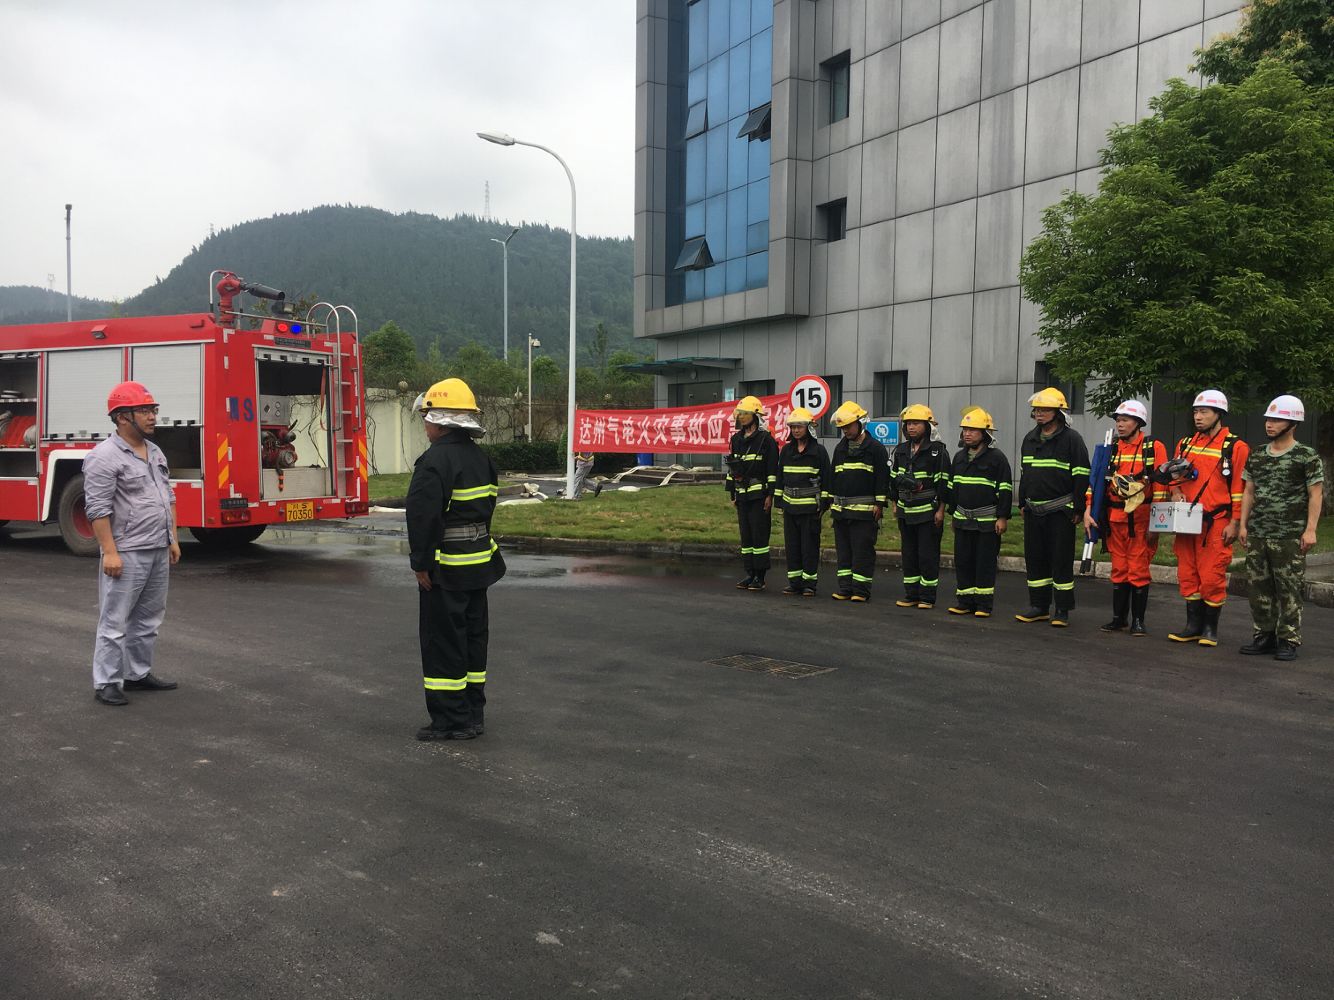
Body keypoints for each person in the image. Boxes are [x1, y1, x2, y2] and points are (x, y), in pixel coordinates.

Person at [406, 378, 506, 741]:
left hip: (445, 571)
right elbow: (486, 511)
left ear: (441, 421)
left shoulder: (434, 462)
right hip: (478, 567)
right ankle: (473, 714)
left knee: (444, 644)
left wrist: (422, 564)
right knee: (473, 641)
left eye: (427, 416)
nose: (425, 423)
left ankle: (451, 720)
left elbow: (423, 519)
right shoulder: (481, 459)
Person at [82, 381, 181, 706]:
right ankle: (107, 682)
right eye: (145, 411)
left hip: (158, 547)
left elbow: (168, 496)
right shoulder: (103, 457)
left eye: (153, 410)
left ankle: (137, 674)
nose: (153, 417)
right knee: (114, 620)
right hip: (127, 551)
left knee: (149, 618)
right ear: (123, 417)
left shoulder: (155, 451)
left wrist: (173, 539)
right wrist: (109, 552)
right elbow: (97, 509)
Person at [1238, 395, 1323, 661]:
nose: (1270, 424)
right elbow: (1249, 491)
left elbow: (1315, 494)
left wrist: (1310, 530)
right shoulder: (1257, 455)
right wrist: (1243, 525)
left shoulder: (1306, 456)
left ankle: (1288, 640)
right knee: (1258, 588)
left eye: (1276, 420)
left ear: (1293, 424)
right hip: (1259, 532)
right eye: (1269, 419)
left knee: (1288, 589)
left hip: (1289, 535)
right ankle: (1264, 636)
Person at [1164, 389, 1250, 647]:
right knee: (1187, 573)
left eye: (1204, 412)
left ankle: (1210, 629)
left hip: (1216, 521)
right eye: (1195, 412)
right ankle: (1192, 627)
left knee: (1211, 575)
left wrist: (1235, 522)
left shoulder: (1235, 447)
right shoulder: (1185, 444)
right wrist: (1175, 491)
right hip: (1187, 521)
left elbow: (1239, 489)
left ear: (1219, 414)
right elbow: (1174, 477)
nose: (1198, 417)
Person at [1084, 400, 1168, 636]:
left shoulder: (1152, 448)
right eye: (1118, 420)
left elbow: (1161, 487)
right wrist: (1089, 510)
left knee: (1138, 570)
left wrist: (1156, 524)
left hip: (1141, 521)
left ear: (1138, 423)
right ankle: (1118, 619)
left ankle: (1138, 622)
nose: (1120, 425)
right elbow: (1096, 483)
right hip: (1114, 521)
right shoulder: (1110, 449)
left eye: (1125, 420)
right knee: (1119, 570)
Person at [1015, 388, 1091, 627]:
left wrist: (1078, 508)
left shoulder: (1072, 439)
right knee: (1035, 559)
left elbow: (1081, 474)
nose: (1039, 413)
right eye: (1036, 410)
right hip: (1034, 511)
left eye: (1044, 410)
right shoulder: (1029, 439)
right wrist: (1022, 502)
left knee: (1060, 560)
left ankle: (1062, 610)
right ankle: (1039, 606)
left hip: (1061, 511)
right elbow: (1025, 473)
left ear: (1058, 413)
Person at [945, 407, 1012, 618]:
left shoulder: (997, 458)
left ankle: (983, 604)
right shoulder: (959, 458)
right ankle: (964, 602)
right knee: (963, 562)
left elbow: (1005, 489)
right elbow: (952, 488)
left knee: (984, 563)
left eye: (973, 430)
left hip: (987, 522)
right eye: (965, 430)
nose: (967, 434)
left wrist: (1002, 517)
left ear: (985, 433)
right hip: (962, 520)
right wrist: (952, 515)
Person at [824, 401, 889, 602]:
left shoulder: (875, 449)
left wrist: (879, 504)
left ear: (860, 423)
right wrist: (831, 503)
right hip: (842, 512)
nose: (845, 431)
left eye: (849, 426)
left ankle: (861, 590)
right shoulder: (840, 448)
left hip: (864, 513)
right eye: (842, 427)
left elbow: (882, 478)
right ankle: (845, 588)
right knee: (844, 552)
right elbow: (834, 477)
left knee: (862, 551)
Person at [888, 404, 951, 609]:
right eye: (908, 424)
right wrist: (895, 503)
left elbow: (943, 483)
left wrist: (940, 510)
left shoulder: (938, 451)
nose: (911, 427)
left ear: (927, 426)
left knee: (927, 555)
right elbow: (893, 479)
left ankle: (927, 597)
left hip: (928, 512)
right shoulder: (900, 450)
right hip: (906, 512)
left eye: (916, 423)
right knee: (909, 555)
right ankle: (911, 594)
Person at [774, 407, 831, 596]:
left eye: (799, 426)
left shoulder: (819, 451)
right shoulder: (786, 451)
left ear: (809, 428)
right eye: (793, 427)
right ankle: (795, 582)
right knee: (792, 547)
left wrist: (824, 503)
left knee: (809, 547)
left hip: (810, 509)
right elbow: (780, 476)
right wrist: (779, 500)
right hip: (790, 508)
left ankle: (809, 584)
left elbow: (827, 479)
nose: (796, 430)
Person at [726, 395, 779, 591]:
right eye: (739, 414)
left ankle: (760, 576)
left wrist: (770, 495)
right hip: (742, 496)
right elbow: (732, 468)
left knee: (759, 537)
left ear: (755, 416)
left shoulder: (766, 441)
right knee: (746, 537)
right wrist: (732, 493)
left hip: (759, 496)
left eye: (745, 414)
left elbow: (772, 471)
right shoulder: (736, 439)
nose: (741, 417)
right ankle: (749, 573)